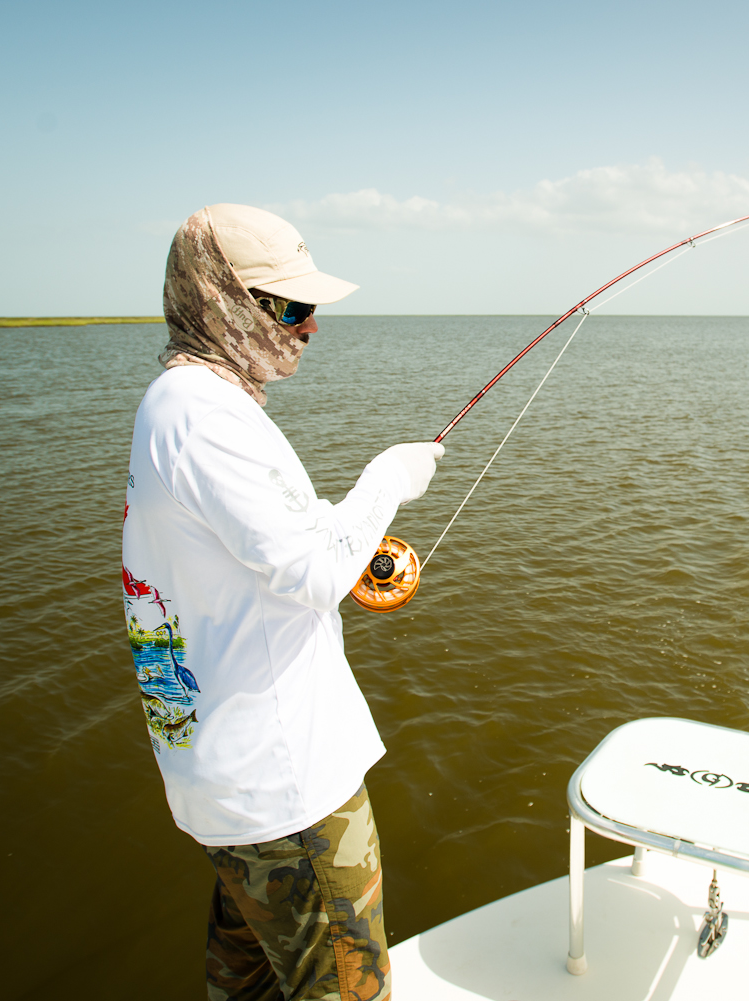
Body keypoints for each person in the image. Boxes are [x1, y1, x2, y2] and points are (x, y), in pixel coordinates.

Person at [121, 203, 440, 1001]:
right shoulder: (207, 417)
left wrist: (344, 529)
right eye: (291, 307)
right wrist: (387, 482)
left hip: (232, 787)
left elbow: (268, 548)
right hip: (288, 793)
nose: (309, 327)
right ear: (225, 300)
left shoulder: (178, 405)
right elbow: (307, 572)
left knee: (249, 987)